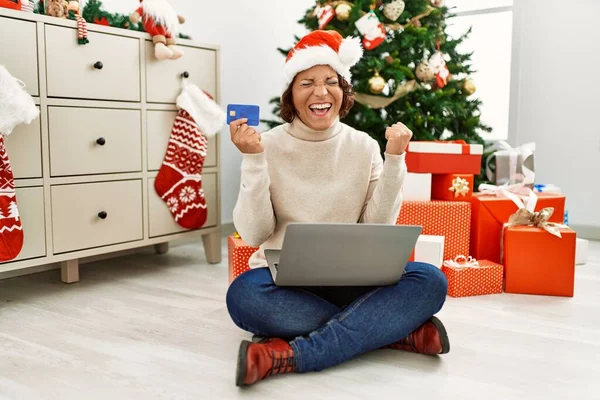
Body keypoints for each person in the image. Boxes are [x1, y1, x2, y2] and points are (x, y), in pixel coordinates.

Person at [226, 30, 449, 387]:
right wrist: (253, 161)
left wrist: (395, 159)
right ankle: (391, 332)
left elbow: (378, 225)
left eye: (331, 81)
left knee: (431, 280)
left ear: (343, 91)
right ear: (291, 95)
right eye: (307, 83)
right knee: (243, 297)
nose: (320, 92)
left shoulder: (363, 145)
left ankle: (289, 354)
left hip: (355, 279)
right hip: (285, 283)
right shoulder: (265, 145)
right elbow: (253, 234)